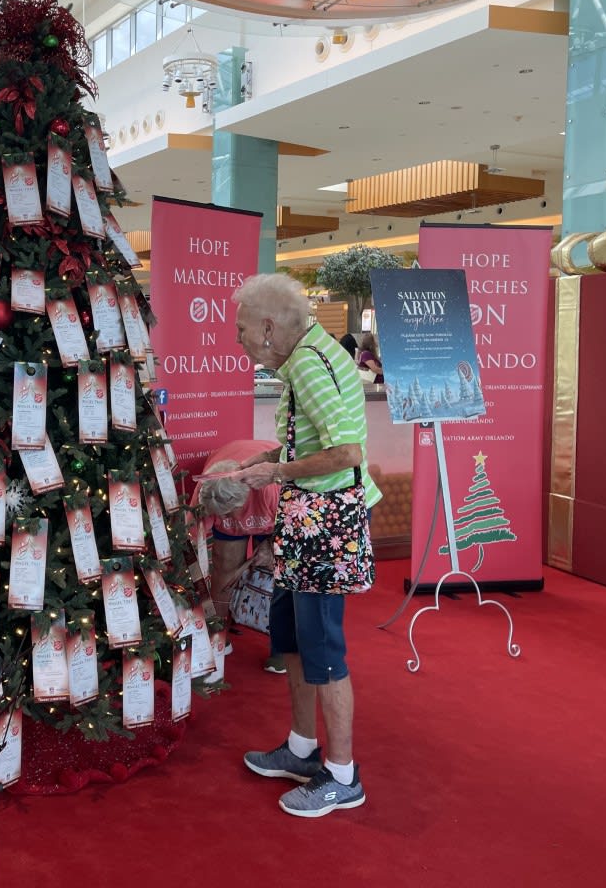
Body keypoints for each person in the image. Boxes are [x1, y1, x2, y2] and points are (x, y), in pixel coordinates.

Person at [231, 272, 381, 818]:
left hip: (324, 526)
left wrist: (277, 468)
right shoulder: (305, 358)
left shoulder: (312, 367)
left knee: (323, 651)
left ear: (269, 328)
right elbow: (315, 437)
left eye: (243, 329)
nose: (239, 339)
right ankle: (300, 749)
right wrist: (265, 459)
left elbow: (345, 454)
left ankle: (342, 774)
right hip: (304, 521)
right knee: (291, 639)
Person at [192, 439, 285, 673]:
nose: (224, 517)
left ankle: (281, 649)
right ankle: (219, 639)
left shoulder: (271, 489)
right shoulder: (206, 492)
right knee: (224, 573)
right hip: (230, 487)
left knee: (281, 577)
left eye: (228, 513)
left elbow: (294, 527)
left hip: (274, 516)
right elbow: (191, 542)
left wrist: (272, 545)